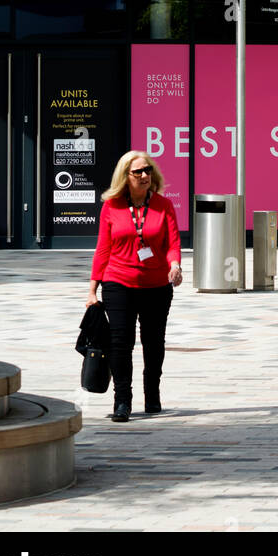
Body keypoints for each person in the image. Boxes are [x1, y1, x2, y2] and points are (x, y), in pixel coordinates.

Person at [86, 151, 182, 422]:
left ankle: (152, 395)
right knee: (119, 343)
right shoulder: (112, 206)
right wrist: (92, 289)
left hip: (156, 286)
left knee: (154, 343)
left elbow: (172, 243)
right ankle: (122, 401)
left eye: (148, 170)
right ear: (125, 177)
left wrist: (175, 265)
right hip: (118, 282)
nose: (144, 176)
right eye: (138, 172)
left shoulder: (163, 205)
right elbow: (103, 249)